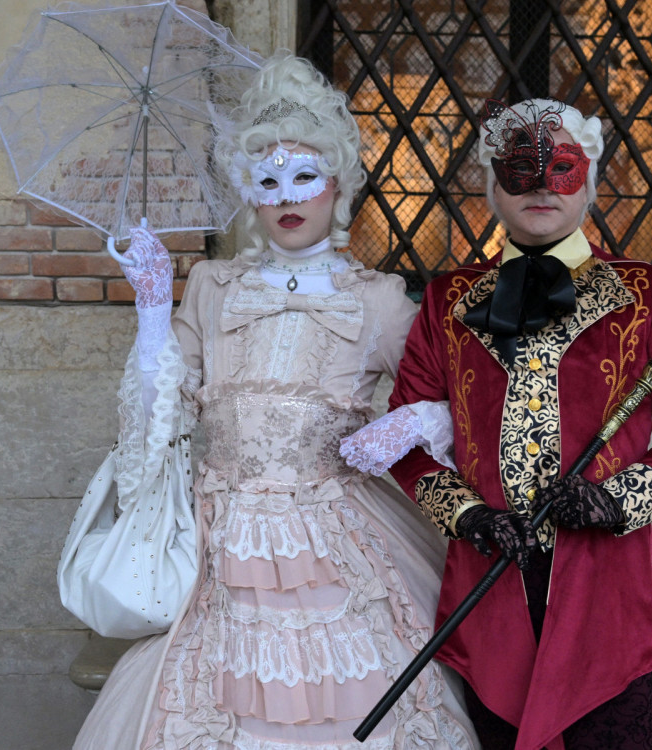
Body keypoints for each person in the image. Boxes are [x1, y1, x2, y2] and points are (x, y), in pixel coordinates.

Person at [72, 53, 476, 750]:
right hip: (220, 541)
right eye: (268, 180)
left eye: (304, 176)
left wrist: (417, 419)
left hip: (337, 544)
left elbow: (464, 399)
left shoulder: (378, 301)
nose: (288, 196)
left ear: (337, 184)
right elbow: (155, 419)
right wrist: (152, 311)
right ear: (248, 193)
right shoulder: (212, 287)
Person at [381, 98, 652, 750]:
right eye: (520, 169)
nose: (541, 186)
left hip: (606, 598)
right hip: (489, 596)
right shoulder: (447, 302)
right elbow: (402, 438)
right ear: (491, 185)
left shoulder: (648, 295)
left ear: (590, 182)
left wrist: (617, 500)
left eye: (562, 167)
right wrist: (468, 516)